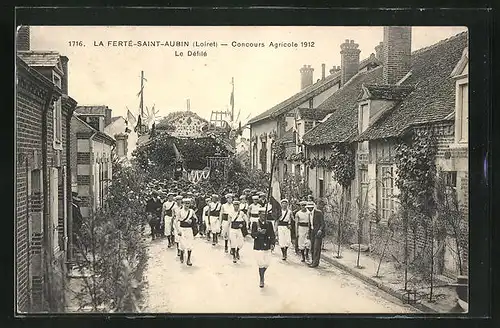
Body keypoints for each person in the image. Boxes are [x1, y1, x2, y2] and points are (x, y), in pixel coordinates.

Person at [251, 207, 276, 288]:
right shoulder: (255, 223)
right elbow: (252, 235)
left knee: (267, 263)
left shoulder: (269, 224)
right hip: (258, 246)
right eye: (262, 215)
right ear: (259, 215)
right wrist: (259, 232)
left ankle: (262, 273)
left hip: (267, 246)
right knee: (261, 264)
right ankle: (261, 279)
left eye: (265, 215)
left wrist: (273, 243)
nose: (264, 216)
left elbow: (272, 235)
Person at [176, 198, 197, 266]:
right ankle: (182, 253)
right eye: (185, 203)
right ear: (183, 204)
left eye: (188, 203)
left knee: (189, 244)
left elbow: (196, 219)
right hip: (182, 229)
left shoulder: (192, 211)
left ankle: (188, 259)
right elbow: (176, 221)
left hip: (189, 229)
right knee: (182, 244)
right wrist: (178, 230)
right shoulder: (180, 211)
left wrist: (192, 220)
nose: (187, 205)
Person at [309, 201, 326, 268]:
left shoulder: (318, 212)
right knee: (312, 248)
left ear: (313, 206)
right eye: (308, 207)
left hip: (318, 233)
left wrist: (320, 230)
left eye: (311, 207)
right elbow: (310, 224)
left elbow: (323, 223)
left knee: (316, 248)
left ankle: (315, 262)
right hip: (312, 232)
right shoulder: (309, 214)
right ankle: (313, 261)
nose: (309, 208)